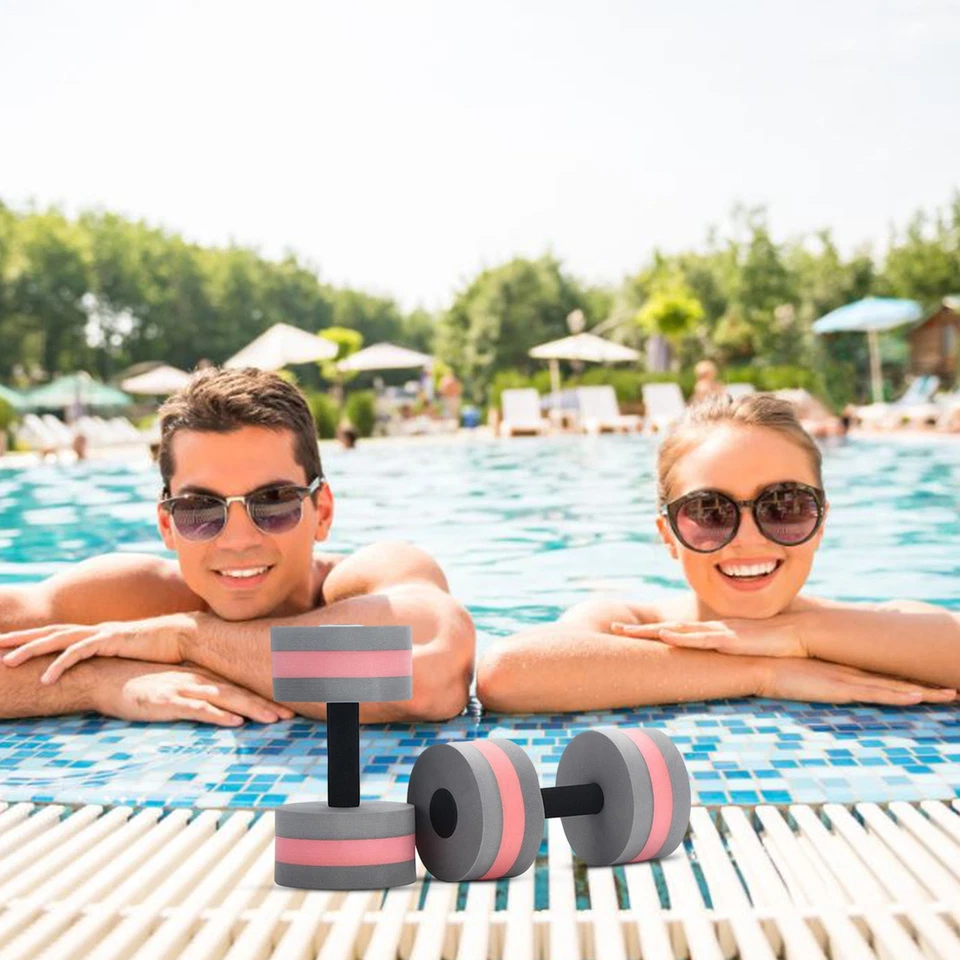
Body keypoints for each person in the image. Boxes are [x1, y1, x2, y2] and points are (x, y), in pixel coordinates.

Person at [0, 367, 475, 725]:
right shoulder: (136, 596)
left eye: (273, 501)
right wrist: (100, 682)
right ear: (167, 525)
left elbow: (432, 679)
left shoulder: (368, 576)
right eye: (199, 509)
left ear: (322, 512)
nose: (239, 538)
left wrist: (188, 638)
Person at [477, 394, 958, 713]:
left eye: (784, 506)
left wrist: (800, 634)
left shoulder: (852, 628)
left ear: (821, 520)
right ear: (668, 535)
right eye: (709, 512)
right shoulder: (630, 624)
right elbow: (506, 673)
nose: (748, 538)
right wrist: (763, 672)